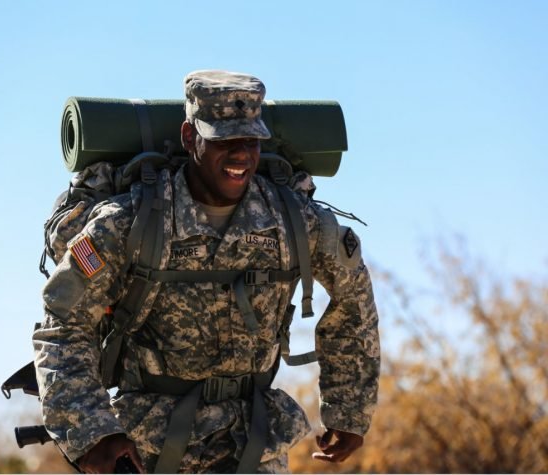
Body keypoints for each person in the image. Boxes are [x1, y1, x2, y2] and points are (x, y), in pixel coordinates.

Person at [33, 69, 380, 473]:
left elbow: (355, 300)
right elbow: (62, 323)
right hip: (146, 446)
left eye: (250, 141)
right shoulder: (128, 223)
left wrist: (350, 410)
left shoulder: (293, 221)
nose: (240, 155)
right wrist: (93, 433)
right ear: (189, 137)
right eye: (224, 140)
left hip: (254, 441)